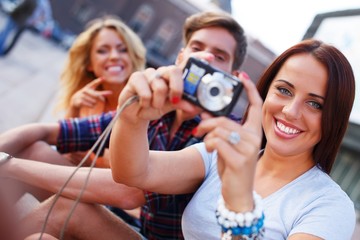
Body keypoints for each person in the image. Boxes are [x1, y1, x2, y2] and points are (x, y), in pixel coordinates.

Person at [0, 11, 247, 239]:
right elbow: (53, 132)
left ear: (233, 78)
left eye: (219, 57)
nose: (205, 59)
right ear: (181, 56)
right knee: (32, 150)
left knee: (64, 208)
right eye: (197, 48)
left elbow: (129, 191)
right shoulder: (152, 102)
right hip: (134, 224)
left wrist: (9, 165)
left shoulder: (223, 132)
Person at [109, 38, 356, 239]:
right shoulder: (222, 153)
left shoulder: (329, 205)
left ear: (334, 119)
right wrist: (133, 119)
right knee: (70, 208)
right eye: (283, 90)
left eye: (315, 104)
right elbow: (133, 173)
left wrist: (239, 204)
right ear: (264, 92)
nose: (291, 111)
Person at [55, 14, 146, 168]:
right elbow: (69, 157)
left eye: (123, 50)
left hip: (113, 189)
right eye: (103, 51)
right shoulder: (87, 100)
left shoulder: (145, 102)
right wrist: (73, 109)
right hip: (79, 181)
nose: (114, 56)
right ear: (89, 64)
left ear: (132, 58)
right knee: (33, 149)